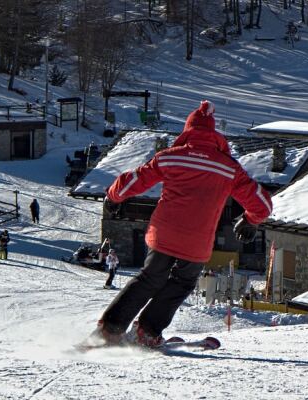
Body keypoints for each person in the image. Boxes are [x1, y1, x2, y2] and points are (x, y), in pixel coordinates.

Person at [94, 100, 273, 348]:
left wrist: (112, 198)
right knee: (182, 283)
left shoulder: (169, 158)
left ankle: (110, 330)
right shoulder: (229, 168)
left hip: (163, 232)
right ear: (215, 136)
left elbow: (133, 180)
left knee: (148, 279)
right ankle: (146, 332)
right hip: (197, 241)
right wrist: (250, 220)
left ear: (187, 131)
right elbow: (262, 203)